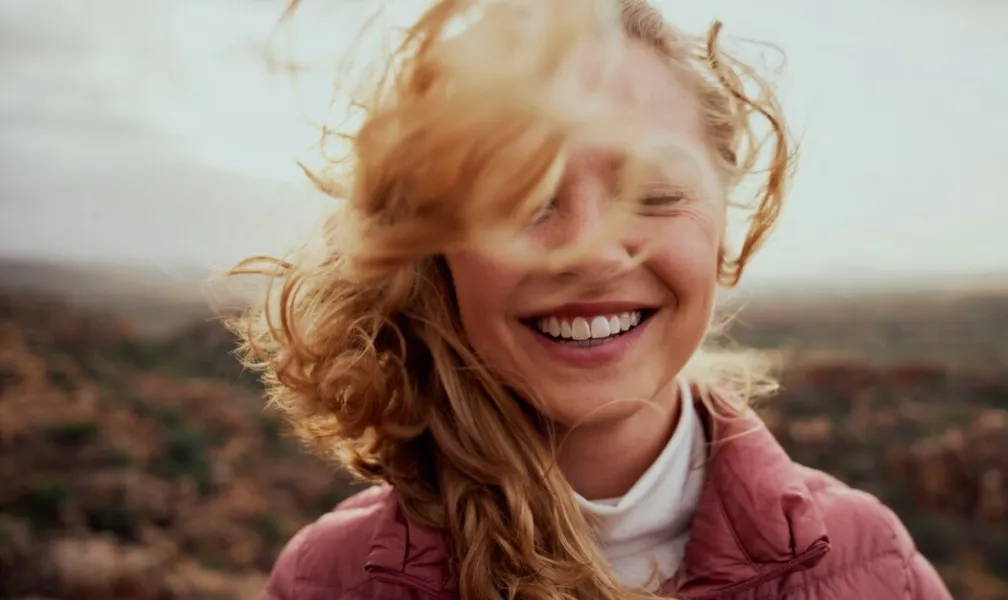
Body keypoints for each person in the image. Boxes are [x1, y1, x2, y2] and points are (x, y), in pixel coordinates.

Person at [231, 0, 953, 599]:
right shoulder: (327, 583)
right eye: (520, 198)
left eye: (654, 193)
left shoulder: (874, 569)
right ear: (435, 251)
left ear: (723, 232)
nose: (591, 249)